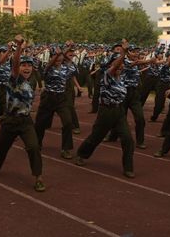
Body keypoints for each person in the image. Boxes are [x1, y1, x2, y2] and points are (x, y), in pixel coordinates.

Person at [0, 35, 45, 192]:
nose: (26, 68)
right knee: (1, 148)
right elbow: (15, 64)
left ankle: (38, 177)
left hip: (25, 121)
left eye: (29, 66)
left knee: (33, 147)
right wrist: (19, 46)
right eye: (24, 65)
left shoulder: (32, 81)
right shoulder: (14, 78)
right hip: (10, 120)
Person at [75, 40, 136, 178]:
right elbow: (115, 67)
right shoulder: (107, 76)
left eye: (121, 65)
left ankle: (128, 167)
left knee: (128, 140)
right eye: (116, 64)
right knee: (96, 137)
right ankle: (81, 154)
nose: (119, 67)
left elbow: (129, 65)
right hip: (106, 112)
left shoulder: (122, 77)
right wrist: (124, 53)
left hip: (119, 112)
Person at [35, 44, 75, 159]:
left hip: (61, 98)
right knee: (40, 124)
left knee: (68, 122)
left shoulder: (66, 68)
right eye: (55, 57)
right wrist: (58, 54)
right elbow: (49, 64)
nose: (58, 59)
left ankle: (66, 149)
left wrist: (65, 51)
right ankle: (37, 143)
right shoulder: (48, 68)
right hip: (48, 97)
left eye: (60, 58)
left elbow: (70, 62)